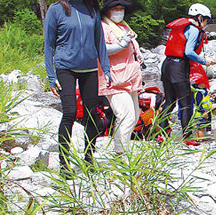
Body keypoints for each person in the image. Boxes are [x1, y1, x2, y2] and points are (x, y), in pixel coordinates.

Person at [44, 0, 113, 171]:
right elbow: (48, 45)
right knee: (69, 112)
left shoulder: (91, 8)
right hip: (65, 67)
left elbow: (99, 41)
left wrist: (106, 69)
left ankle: (89, 160)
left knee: (91, 114)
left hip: (89, 68)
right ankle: (64, 164)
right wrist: (51, 76)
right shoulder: (56, 9)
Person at [159, 3, 213, 146]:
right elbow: (189, 52)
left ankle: (161, 133)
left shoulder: (180, 27)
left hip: (167, 65)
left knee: (170, 101)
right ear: (200, 17)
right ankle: (187, 137)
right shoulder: (194, 30)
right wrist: (204, 61)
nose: (206, 23)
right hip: (178, 67)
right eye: (206, 19)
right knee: (185, 103)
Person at [98, 0, 144, 156]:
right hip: (114, 79)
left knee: (135, 116)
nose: (119, 11)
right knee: (126, 116)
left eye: (121, 9)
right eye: (115, 9)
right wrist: (122, 44)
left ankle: (122, 149)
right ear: (108, 11)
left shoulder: (123, 26)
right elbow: (102, 49)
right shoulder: (102, 27)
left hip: (130, 79)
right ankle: (120, 153)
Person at [189, 72, 213, 140]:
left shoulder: (201, 91)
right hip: (200, 113)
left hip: (201, 112)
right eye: (202, 83)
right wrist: (203, 112)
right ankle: (201, 140)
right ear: (198, 84)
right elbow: (199, 104)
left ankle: (198, 140)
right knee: (200, 129)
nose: (204, 84)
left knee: (199, 128)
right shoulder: (199, 93)